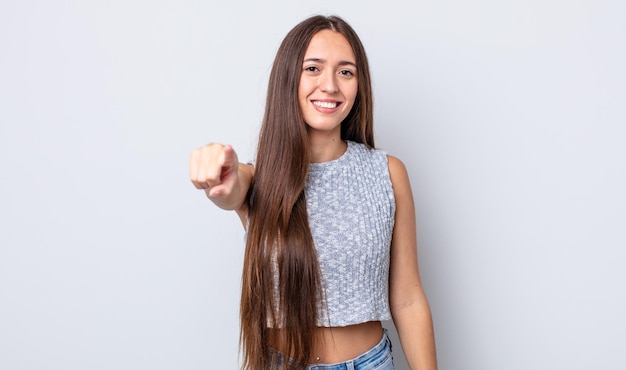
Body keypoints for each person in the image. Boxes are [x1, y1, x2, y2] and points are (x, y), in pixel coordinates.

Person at [189, 15, 437, 370]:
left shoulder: (388, 173)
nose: (330, 85)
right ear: (289, 77)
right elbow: (232, 189)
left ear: (359, 85)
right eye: (313, 68)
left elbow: (409, 299)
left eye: (346, 72)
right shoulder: (260, 179)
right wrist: (216, 171)